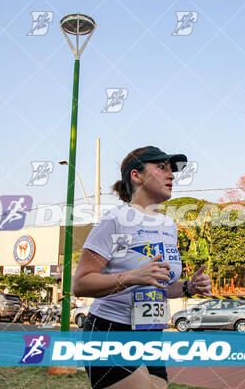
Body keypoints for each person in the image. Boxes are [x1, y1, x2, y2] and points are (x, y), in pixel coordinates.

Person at [73, 146, 213, 389]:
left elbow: (158, 283)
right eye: (161, 168)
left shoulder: (169, 225)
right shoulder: (115, 220)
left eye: (172, 170)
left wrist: (190, 287)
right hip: (110, 331)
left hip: (150, 335)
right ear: (136, 176)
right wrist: (132, 276)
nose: (171, 175)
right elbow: (81, 283)